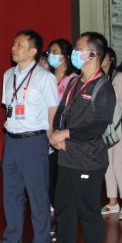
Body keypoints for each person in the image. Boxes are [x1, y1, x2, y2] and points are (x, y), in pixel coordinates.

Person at [37, 31, 115, 243]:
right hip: (67, 157)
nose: (74, 53)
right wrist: (54, 133)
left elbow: (97, 126)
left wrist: (67, 133)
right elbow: (61, 111)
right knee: (64, 207)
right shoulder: (74, 83)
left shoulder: (103, 87)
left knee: (88, 211)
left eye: (79, 49)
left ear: (92, 55)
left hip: (88, 161)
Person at [0, 30, 59, 243]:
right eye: (14, 43)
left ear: (33, 51)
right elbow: (9, 105)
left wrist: (51, 135)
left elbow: (53, 109)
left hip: (34, 141)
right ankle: (11, 239)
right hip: (12, 140)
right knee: (11, 193)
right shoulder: (8, 75)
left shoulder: (44, 78)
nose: (14, 48)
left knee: (37, 194)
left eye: (20, 45)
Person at [101, 47, 122, 219]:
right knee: (107, 165)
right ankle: (112, 201)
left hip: (121, 125)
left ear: (111, 59)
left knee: (118, 164)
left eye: (103, 56)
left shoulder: (119, 77)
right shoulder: (100, 78)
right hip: (105, 127)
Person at [46, 38, 78, 209]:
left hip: (63, 132)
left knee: (62, 172)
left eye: (55, 52)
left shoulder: (74, 80)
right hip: (47, 130)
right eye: (50, 52)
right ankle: (51, 202)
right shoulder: (47, 78)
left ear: (66, 56)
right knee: (49, 170)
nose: (51, 56)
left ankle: (62, 205)